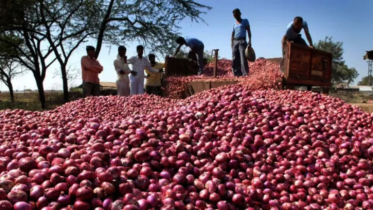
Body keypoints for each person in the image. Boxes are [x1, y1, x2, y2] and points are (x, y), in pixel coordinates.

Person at [231, 8, 251, 77]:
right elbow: (232, 34)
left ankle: (245, 73)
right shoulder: (234, 24)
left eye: (236, 15)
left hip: (242, 41)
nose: (235, 16)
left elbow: (248, 31)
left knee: (243, 57)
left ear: (240, 14)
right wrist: (232, 43)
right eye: (234, 15)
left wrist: (250, 41)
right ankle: (237, 73)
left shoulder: (245, 21)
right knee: (235, 57)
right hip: (235, 41)